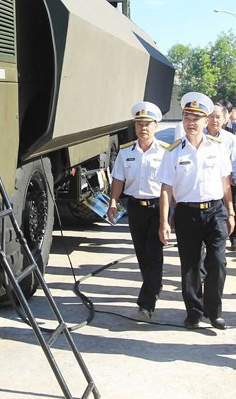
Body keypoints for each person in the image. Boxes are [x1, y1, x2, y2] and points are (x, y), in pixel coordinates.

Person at [157, 92, 234, 330]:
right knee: (190, 265)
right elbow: (166, 188)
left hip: (215, 211)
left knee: (218, 262)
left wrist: (231, 212)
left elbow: (225, 182)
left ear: (206, 121)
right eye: (187, 118)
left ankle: (214, 312)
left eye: (196, 118)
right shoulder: (173, 151)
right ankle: (194, 311)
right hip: (187, 213)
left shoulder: (218, 148)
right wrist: (164, 222)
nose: (191, 123)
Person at [107, 102, 170, 321]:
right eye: (139, 124)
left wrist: (170, 215)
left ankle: (146, 303)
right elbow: (118, 179)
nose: (143, 128)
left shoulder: (165, 152)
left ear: (155, 126)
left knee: (154, 253)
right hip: (135, 208)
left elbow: (170, 184)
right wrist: (113, 202)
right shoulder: (126, 152)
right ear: (135, 127)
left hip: (157, 207)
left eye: (147, 124)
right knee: (142, 254)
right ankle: (153, 285)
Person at [205, 103, 236, 250]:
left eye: (218, 117)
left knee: (234, 210)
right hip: (207, 185)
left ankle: (235, 239)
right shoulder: (198, 136)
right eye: (211, 116)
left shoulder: (230, 138)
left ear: (224, 119)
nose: (214, 120)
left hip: (228, 182)